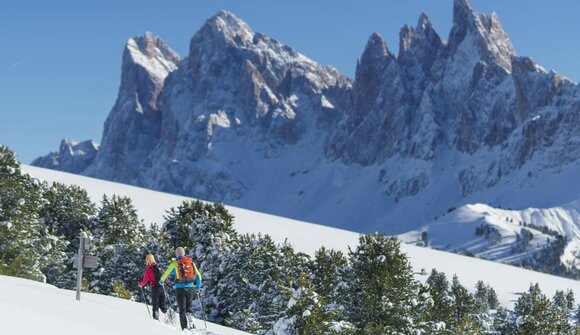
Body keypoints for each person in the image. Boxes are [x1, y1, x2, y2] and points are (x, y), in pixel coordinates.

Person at [160, 247, 202, 330]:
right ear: (184, 253)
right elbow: (199, 276)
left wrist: (161, 281)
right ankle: (191, 319)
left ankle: (184, 328)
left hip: (180, 289)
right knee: (188, 307)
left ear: (176, 254)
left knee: (182, 309)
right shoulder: (190, 262)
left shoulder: (175, 264)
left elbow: (165, 275)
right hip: (191, 288)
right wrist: (198, 288)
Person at [138, 254, 167, 320]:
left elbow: (144, 281)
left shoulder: (149, 270)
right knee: (162, 305)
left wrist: (140, 284)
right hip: (163, 287)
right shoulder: (160, 267)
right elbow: (166, 277)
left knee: (155, 304)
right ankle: (168, 315)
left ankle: (156, 319)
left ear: (148, 260)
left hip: (155, 288)